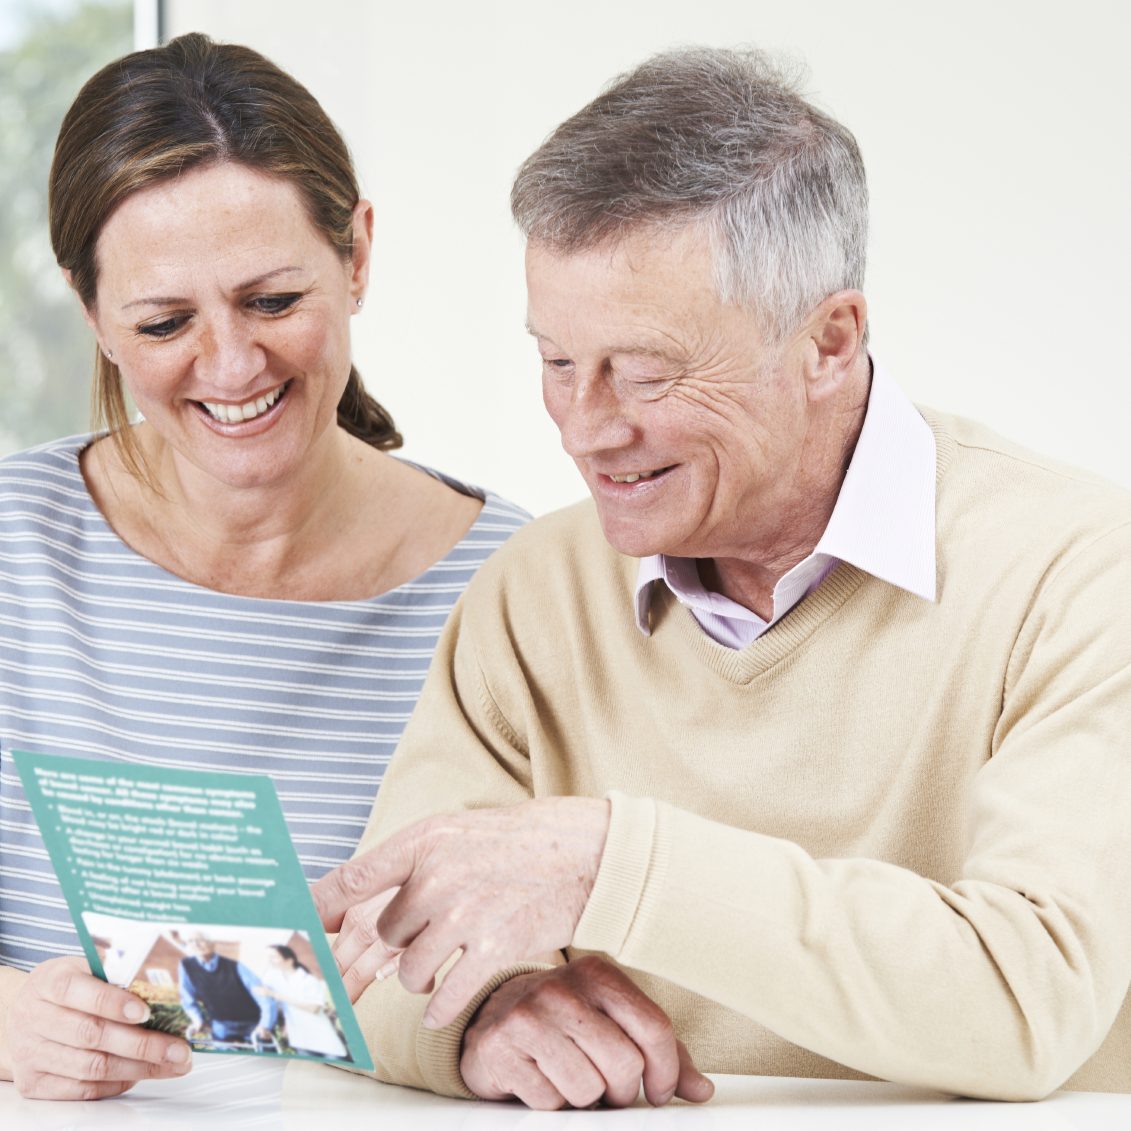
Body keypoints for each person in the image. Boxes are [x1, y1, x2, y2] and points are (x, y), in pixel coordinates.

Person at [314, 46, 1131, 1108]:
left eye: (647, 373)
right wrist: (479, 1018)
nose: (586, 428)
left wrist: (616, 866)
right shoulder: (533, 594)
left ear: (830, 339)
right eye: (558, 363)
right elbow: (367, 952)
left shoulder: (1074, 570)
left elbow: (1034, 1001)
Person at [0, 33, 526, 1101]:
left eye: (274, 302)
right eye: (163, 322)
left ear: (359, 255)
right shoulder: (12, 550)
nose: (233, 365)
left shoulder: (516, 587)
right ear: (93, 313)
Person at [177, 935, 274, 1048]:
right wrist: (198, 1020)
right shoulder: (186, 966)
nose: (197, 944)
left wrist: (265, 1025)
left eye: (201, 940)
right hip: (221, 1025)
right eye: (191, 940)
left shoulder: (235, 966)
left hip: (252, 1023)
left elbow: (263, 995)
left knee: (262, 1058)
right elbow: (187, 998)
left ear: (213, 944)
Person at [255, 945, 346, 1060]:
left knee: (334, 1071)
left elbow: (314, 1008)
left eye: (274, 957)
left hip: (322, 1038)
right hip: (300, 1039)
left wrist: (276, 995)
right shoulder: (276, 979)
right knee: (309, 1073)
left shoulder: (308, 981)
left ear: (289, 960)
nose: (271, 961)